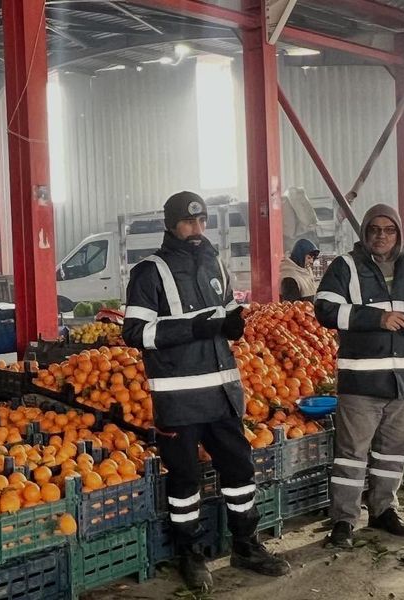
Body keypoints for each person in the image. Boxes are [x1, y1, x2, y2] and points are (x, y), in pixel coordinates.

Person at [122, 191, 289, 590]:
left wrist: (234, 322)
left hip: (222, 394)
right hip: (178, 400)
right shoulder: (150, 272)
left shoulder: (215, 262)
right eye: (188, 222)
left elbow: (225, 311)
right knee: (185, 481)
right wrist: (193, 328)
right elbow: (135, 332)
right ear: (171, 225)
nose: (197, 229)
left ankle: (246, 544)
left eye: (201, 222)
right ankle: (190, 554)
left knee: (240, 470)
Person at [315, 204, 404, 548]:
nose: (381, 236)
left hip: (402, 381)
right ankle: (343, 520)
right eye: (374, 229)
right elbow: (324, 309)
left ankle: (384, 510)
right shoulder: (345, 267)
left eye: (389, 230)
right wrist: (376, 318)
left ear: (398, 233)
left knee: (393, 452)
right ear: (365, 232)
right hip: (361, 383)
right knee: (351, 454)